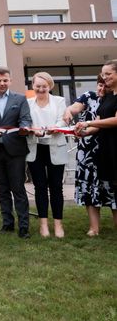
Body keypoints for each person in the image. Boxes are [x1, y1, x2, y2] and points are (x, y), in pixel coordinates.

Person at [0, 67, 32, 238]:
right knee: (2, 189)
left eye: (5, 80)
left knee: (18, 189)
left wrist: (25, 127)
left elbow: (25, 119)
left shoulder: (20, 99)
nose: (2, 83)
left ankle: (23, 226)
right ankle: (7, 223)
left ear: (10, 81)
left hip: (15, 151)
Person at [64, 75, 116, 236]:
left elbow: (100, 125)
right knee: (89, 189)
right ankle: (94, 228)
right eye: (99, 85)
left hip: (108, 150)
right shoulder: (89, 96)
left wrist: (87, 127)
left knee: (111, 189)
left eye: (105, 86)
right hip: (87, 152)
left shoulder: (111, 99)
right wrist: (68, 112)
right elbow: (74, 108)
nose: (101, 88)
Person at [26, 72, 68, 238]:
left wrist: (55, 127)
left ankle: (58, 224)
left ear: (50, 86)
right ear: (33, 86)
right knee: (40, 187)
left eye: (44, 86)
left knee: (56, 187)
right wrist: (32, 129)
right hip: (35, 148)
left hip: (55, 146)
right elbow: (26, 121)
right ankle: (43, 224)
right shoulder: (28, 102)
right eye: (38, 86)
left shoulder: (59, 101)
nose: (41, 89)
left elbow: (63, 120)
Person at [76, 59, 117, 204]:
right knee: (114, 193)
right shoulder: (108, 96)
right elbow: (99, 123)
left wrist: (88, 122)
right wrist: (84, 132)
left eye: (108, 74)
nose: (104, 77)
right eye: (103, 74)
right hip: (108, 148)